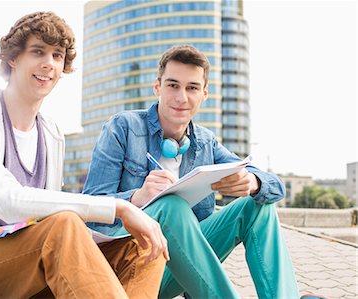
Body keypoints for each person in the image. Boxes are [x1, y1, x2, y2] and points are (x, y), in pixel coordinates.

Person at [0, 12, 169, 299]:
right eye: (38, 52)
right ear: (13, 58)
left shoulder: (51, 134)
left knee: (141, 248)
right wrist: (120, 207)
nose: (49, 63)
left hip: (28, 264)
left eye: (57, 55)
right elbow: (6, 199)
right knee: (64, 225)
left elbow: (44, 215)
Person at [83, 45, 300, 298]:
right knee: (172, 206)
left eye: (192, 88)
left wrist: (253, 182)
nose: (181, 97)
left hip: (178, 270)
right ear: (158, 87)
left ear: (204, 94)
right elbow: (90, 209)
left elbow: (276, 187)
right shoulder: (123, 127)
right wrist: (136, 198)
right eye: (173, 85)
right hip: (126, 266)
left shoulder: (206, 142)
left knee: (257, 206)